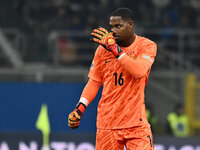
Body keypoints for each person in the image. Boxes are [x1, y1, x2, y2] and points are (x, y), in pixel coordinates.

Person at [68, 7, 157, 150]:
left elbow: (139, 71)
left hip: (136, 124)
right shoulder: (103, 50)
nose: (113, 30)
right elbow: (94, 82)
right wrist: (79, 108)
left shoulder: (146, 46)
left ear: (131, 25)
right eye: (111, 27)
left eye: (118, 26)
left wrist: (115, 50)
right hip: (107, 124)